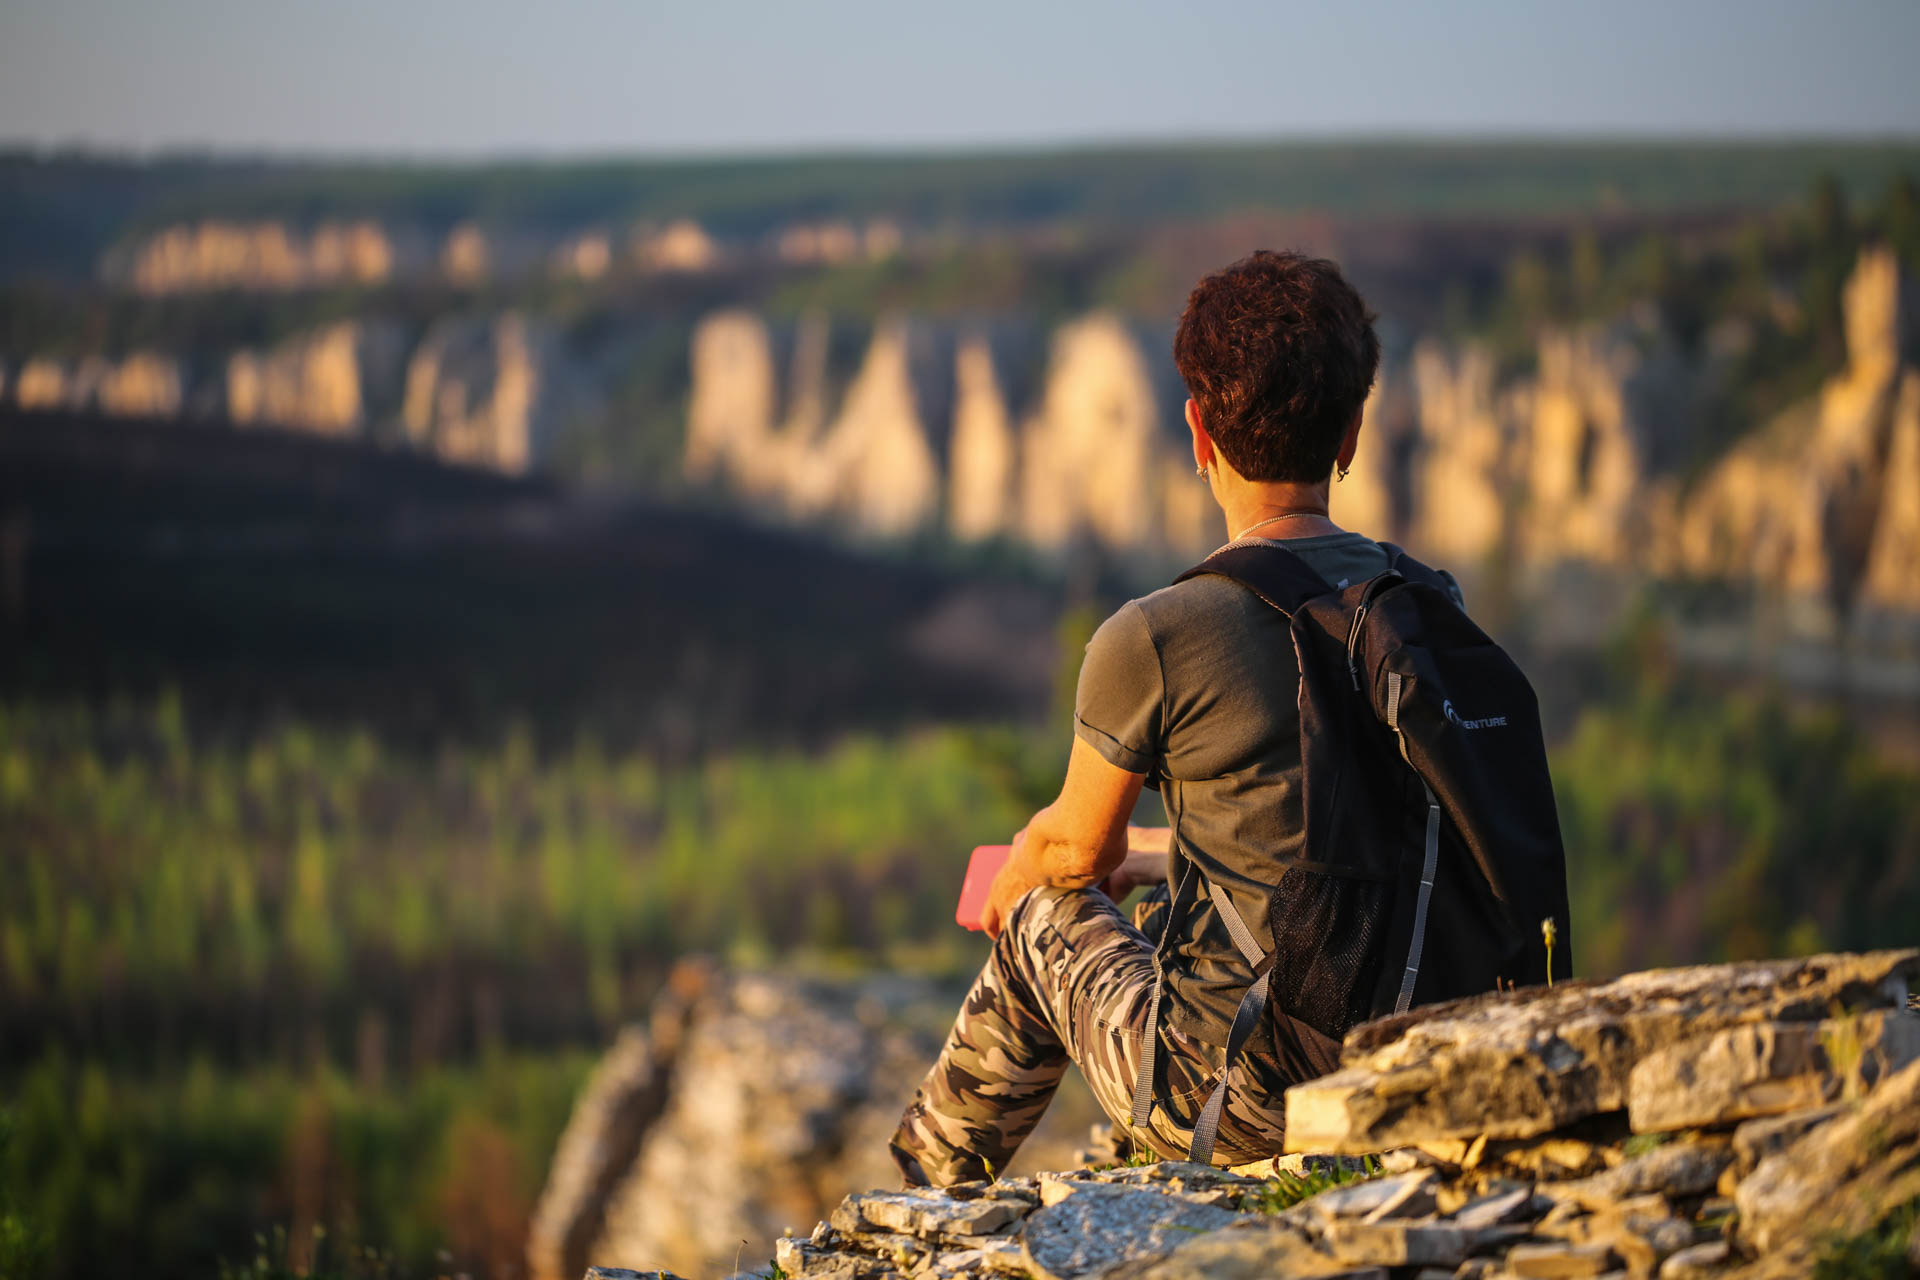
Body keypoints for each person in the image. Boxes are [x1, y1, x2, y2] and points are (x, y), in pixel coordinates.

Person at [890, 249, 1466, 1186]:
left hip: (1245, 1105)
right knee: (1163, 903)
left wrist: (1018, 876)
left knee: (1044, 915)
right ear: (1353, 432)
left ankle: (919, 1203)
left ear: (1198, 432)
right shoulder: (1428, 608)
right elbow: (1336, 843)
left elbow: (1071, 857)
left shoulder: (1160, 634)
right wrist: (1157, 853)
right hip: (1419, 1072)